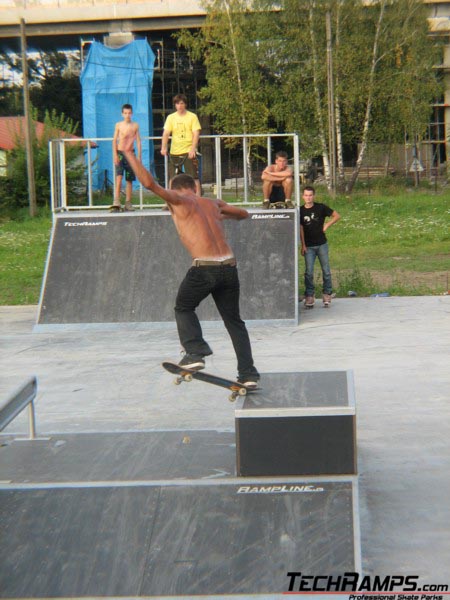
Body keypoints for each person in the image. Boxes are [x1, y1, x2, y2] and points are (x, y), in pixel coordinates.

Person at [122, 138, 260, 388]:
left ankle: (195, 353)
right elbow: (244, 214)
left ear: (176, 190)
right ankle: (248, 374)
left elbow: (149, 183)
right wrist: (221, 214)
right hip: (229, 268)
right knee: (234, 322)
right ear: (194, 188)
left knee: (183, 307)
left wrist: (128, 153)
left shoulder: (178, 200)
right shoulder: (213, 204)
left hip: (205, 269)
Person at [300, 186, 340, 308]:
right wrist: (303, 245)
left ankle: (327, 293)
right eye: (306, 195)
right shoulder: (300, 211)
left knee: (326, 271)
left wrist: (327, 224)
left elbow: (337, 216)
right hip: (309, 246)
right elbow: (300, 228)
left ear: (314, 196)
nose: (308, 197)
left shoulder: (320, 207)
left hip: (322, 244)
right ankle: (309, 295)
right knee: (309, 272)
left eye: (310, 195)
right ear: (303, 197)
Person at [161, 93, 202, 196]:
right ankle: (170, 200)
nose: (180, 106)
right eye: (177, 104)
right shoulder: (171, 118)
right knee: (172, 178)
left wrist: (193, 149)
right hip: (174, 151)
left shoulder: (192, 117)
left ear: (185, 104)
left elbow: (196, 133)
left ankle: (198, 200)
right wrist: (163, 147)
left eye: (182, 103)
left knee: (193, 177)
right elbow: (166, 133)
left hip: (188, 151)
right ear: (175, 105)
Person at [112, 104, 141, 211]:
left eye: (129, 113)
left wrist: (138, 156)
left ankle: (128, 202)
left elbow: (138, 141)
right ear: (122, 114)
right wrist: (115, 155)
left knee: (129, 179)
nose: (127, 115)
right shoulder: (119, 125)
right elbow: (114, 140)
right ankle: (116, 201)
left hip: (130, 154)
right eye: (125, 113)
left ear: (132, 113)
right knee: (119, 178)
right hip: (120, 153)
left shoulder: (135, 126)